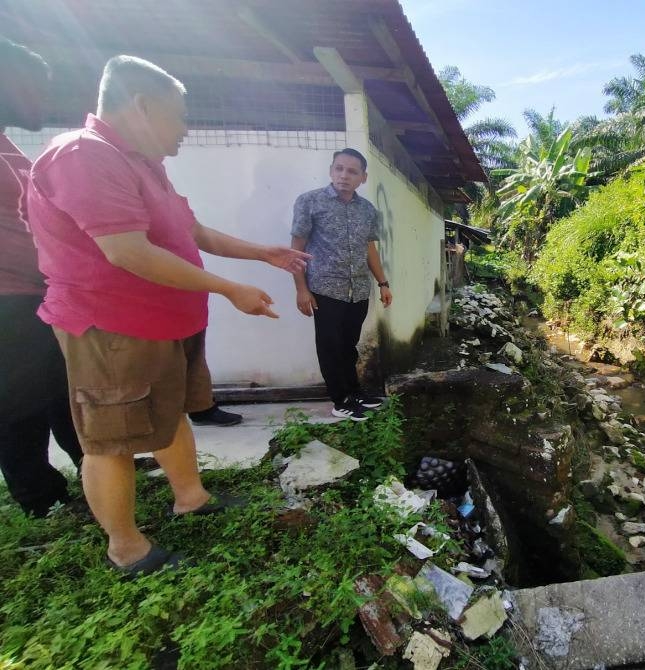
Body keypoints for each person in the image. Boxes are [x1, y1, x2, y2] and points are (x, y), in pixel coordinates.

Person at [26, 55, 309, 576]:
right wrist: (228, 289)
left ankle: (190, 497)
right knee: (110, 440)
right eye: (180, 115)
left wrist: (261, 253)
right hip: (113, 327)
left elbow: (192, 231)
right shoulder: (84, 156)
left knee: (170, 411)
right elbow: (127, 251)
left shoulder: (141, 162)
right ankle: (127, 548)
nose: (186, 128)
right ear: (142, 106)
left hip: (164, 323)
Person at [0, 38, 83, 517]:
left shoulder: (9, 145)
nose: (44, 99)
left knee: (62, 388)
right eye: (35, 87)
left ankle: (92, 467)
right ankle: (39, 499)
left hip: (43, 291)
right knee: (17, 403)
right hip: (7, 298)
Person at [290, 148, 392, 423]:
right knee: (330, 345)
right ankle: (340, 399)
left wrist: (383, 283)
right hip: (325, 289)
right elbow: (296, 250)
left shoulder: (367, 210)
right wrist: (301, 289)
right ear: (331, 170)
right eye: (339, 169)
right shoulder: (310, 202)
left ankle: (354, 393)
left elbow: (369, 249)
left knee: (349, 345)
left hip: (358, 290)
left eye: (352, 171)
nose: (344, 176)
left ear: (363, 177)